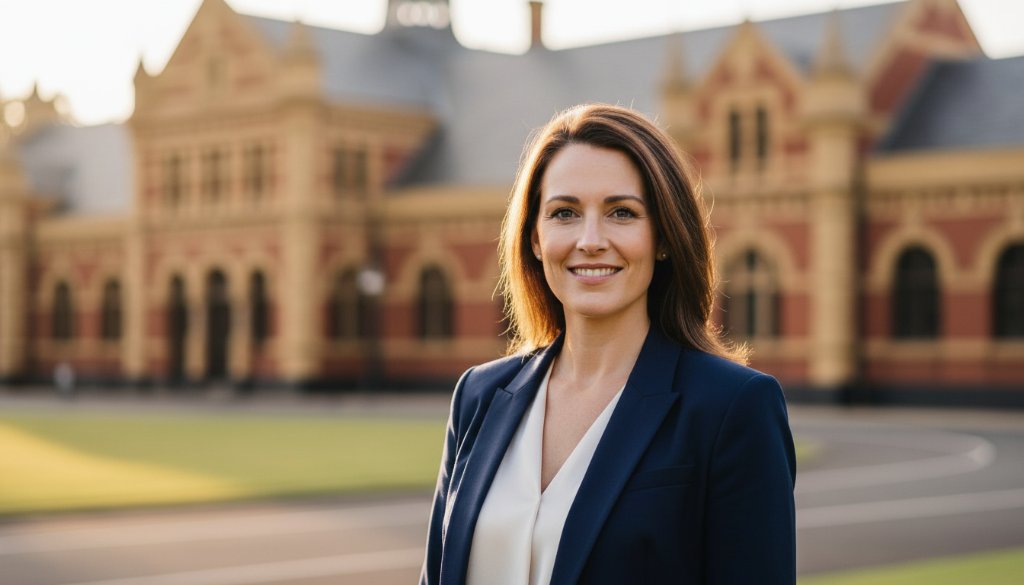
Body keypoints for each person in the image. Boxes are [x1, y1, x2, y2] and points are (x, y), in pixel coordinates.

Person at [420, 104, 796, 585]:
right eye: (564, 213)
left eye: (621, 212)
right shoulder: (478, 396)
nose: (590, 240)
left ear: (662, 236)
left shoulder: (732, 408)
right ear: (535, 237)